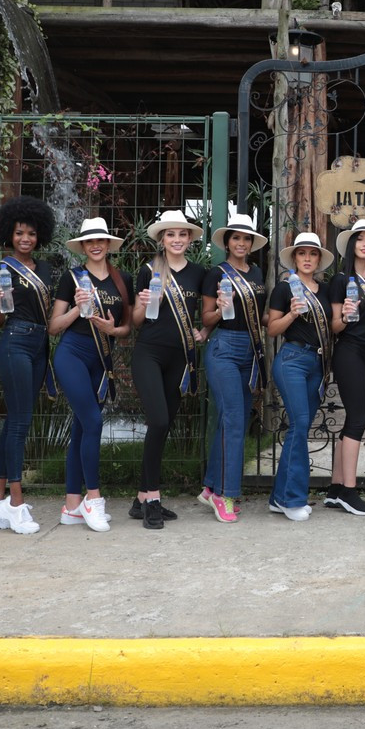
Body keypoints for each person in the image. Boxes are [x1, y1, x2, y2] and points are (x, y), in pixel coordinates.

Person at [0, 196, 56, 537]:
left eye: (32, 233)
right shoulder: (3, 269)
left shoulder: (47, 269)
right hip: (15, 342)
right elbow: (0, 318)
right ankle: (16, 502)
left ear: (39, 236)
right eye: (20, 232)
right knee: (20, 422)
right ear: (10, 233)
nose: (25, 238)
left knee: (18, 419)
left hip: (40, 344)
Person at [51, 218, 131, 533]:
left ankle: (71, 507)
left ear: (108, 244)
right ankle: (93, 499)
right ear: (83, 246)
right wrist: (75, 309)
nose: (95, 245)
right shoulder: (71, 278)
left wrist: (113, 329)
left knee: (83, 426)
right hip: (72, 353)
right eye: (89, 241)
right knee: (94, 422)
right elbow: (54, 326)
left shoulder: (122, 279)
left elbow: (126, 329)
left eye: (101, 240)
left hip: (102, 357)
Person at [130, 210, 207, 530]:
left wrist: (205, 332)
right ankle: (154, 499)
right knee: (158, 420)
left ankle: (140, 499)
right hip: (148, 354)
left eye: (182, 234)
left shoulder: (199, 273)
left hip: (181, 358)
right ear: (162, 239)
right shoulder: (148, 270)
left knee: (163, 427)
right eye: (171, 234)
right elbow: (135, 321)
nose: (177, 240)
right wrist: (143, 302)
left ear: (189, 239)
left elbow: (207, 314)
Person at [199, 213, 268, 524]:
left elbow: (261, 316)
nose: (241, 243)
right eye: (236, 238)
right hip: (223, 348)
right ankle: (226, 495)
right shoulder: (216, 273)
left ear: (251, 243)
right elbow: (206, 318)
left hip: (249, 349)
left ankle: (211, 488)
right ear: (227, 242)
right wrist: (221, 310)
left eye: (246, 238)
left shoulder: (257, 273)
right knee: (236, 421)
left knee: (230, 420)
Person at [268, 232, 334, 521]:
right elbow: (272, 329)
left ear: (319, 259)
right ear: (294, 258)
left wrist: (345, 313)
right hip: (292, 360)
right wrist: (293, 315)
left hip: (317, 363)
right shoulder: (284, 289)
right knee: (299, 424)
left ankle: (278, 497)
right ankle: (291, 499)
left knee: (299, 428)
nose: (307, 258)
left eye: (313, 254)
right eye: (302, 253)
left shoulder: (326, 290)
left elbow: (334, 327)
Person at [325, 219, 365, 517]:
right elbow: (334, 326)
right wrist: (347, 315)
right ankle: (350, 492)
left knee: (356, 416)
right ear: (351, 244)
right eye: (360, 239)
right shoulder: (341, 279)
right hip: (348, 351)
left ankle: (336, 489)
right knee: (357, 418)